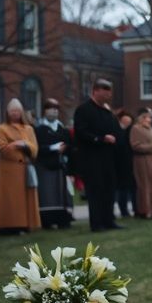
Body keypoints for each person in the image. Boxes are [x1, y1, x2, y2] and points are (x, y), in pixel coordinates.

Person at [74, 78, 122, 232]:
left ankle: (109, 220)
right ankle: (96, 223)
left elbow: (115, 129)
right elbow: (81, 132)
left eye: (109, 92)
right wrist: (100, 139)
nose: (108, 95)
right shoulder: (84, 110)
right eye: (105, 91)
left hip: (108, 158)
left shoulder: (107, 112)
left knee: (109, 189)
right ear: (95, 91)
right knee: (96, 191)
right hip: (92, 158)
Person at [0, 99, 40, 234]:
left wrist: (23, 144)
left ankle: (26, 225)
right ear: (7, 113)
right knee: (10, 199)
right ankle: (8, 226)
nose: (15, 114)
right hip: (9, 169)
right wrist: (15, 145)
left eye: (18, 111)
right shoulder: (1, 128)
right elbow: (2, 149)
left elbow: (34, 149)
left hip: (25, 168)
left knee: (26, 198)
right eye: (12, 111)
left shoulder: (29, 129)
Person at [34, 99, 74, 229]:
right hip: (45, 166)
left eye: (56, 108)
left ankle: (64, 219)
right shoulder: (39, 129)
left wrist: (65, 149)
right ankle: (47, 221)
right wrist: (53, 148)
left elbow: (70, 146)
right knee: (47, 195)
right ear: (45, 111)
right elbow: (37, 148)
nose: (54, 111)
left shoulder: (62, 129)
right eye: (51, 108)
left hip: (60, 166)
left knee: (62, 194)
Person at [129, 108, 152, 218]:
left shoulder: (151, 129)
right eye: (148, 117)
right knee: (145, 185)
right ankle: (145, 210)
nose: (150, 119)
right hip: (143, 160)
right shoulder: (136, 128)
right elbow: (135, 145)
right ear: (142, 118)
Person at [115, 111, 135, 218]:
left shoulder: (130, 131)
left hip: (130, 162)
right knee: (122, 188)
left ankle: (129, 208)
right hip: (120, 163)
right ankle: (123, 210)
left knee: (129, 187)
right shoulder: (118, 131)